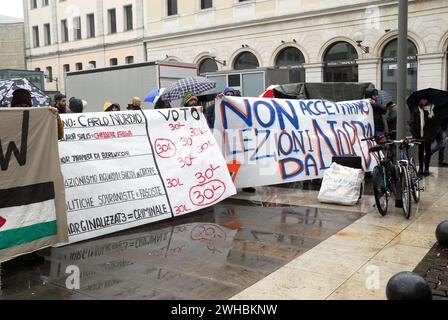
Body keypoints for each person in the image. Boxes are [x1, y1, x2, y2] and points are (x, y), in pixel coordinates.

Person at [410, 94, 438, 176]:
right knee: (420, 151)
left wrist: (431, 117)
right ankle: (421, 168)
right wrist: (414, 134)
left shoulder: (430, 109)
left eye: (425, 100)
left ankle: (427, 168)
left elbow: (435, 124)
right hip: (419, 135)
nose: (424, 101)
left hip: (428, 134)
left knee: (428, 151)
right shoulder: (416, 110)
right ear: (420, 101)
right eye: (422, 99)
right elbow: (413, 122)